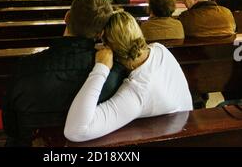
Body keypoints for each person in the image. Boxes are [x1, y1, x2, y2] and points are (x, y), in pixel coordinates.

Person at [2, 0, 126, 146]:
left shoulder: (25, 68)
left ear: (67, 17)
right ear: (101, 32)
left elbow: (11, 127)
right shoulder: (113, 73)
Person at [64, 10, 192, 142]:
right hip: (183, 130)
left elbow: (76, 131)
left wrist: (101, 68)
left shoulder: (137, 93)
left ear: (109, 48)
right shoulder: (160, 49)